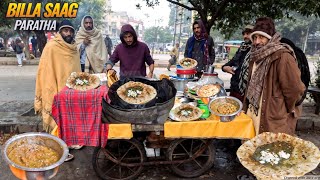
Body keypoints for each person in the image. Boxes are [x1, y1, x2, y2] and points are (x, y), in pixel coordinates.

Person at [243, 17, 305, 135]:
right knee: (252, 150)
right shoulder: (255, 56)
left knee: (269, 151)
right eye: (255, 37)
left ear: (270, 38)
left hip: (272, 120)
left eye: (261, 37)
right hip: (253, 114)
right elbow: (249, 85)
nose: (256, 42)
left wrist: (280, 109)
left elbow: (295, 89)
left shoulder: (282, 56)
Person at [35, 19, 81, 133]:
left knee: (72, 115)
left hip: (72, 89)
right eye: (65, 31)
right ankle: (57, 138)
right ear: (60, 32)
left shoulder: (74, 48)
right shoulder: (51, 47)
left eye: (70, 31)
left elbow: (76, 69)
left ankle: (70, 137)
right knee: (58, 116)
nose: (68, 33)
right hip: (56, 86)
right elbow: (46, 71)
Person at [222, 25, 253, 102]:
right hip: (234, 88)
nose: (245, 36)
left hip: (247, 93)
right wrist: (224, 68)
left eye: (248, 33)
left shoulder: (257, 51)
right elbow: (231, 62)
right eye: (244, 34)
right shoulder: (242, 48)